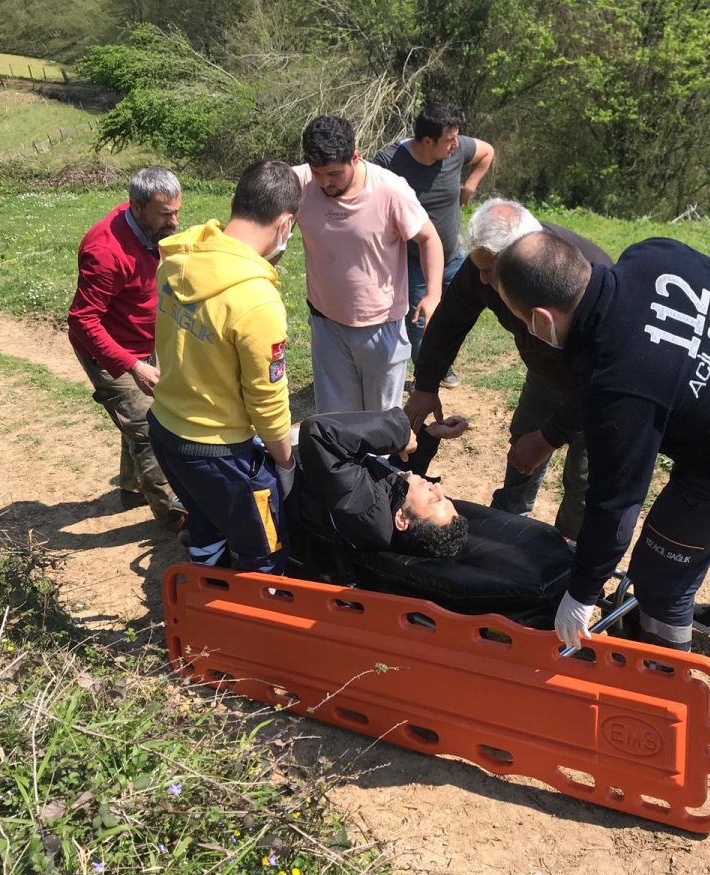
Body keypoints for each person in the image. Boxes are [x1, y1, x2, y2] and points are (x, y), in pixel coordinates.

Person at [494, 233, 710, 653]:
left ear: (541, 319)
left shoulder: (616, 383)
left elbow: (616, 504)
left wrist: (581, 594)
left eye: (521, 321)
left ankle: (663, 674)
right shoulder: (654, 254)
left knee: (660, 569)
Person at [405, 199, 611, 540]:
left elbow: (600, 381)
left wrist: (549, 437)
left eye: (490, 271)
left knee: (586, 477)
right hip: (545, 374)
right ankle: (510, 527)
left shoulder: (583, 280)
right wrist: (426, 385)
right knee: (522, 449)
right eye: (478, 269)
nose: (482, 280)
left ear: (523, 258)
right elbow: (451, 319)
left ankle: (571, 555)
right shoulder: (487, 262)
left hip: (597, 389)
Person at [146, 160, 301, 573]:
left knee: (205, 523)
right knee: (264, 548)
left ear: (234, 202)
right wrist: (285, 461)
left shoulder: (176, 257)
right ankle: (254, 624)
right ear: (286, 223)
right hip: (218, 451)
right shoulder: (256, 299)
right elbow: (266, 400)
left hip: (165, 429)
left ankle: (203, 593)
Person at [294, 115, 445, 414]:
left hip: (381, 327)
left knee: (380, 422)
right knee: (336, 422)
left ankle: (380, 463)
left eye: (334, 173)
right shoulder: (299, 181)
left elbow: (429, 239)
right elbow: (255, 201)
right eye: (317, 173)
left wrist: (433, 294)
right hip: (326, 325)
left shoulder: (390, 190)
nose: (324, 182)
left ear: (355, 156)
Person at [67, 166, 184, 528]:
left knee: (144, 416)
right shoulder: (105, 252)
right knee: (150, 429)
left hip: (144, 340)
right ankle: (176, 519)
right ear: (136, 207)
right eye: (166, 215)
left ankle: (132, 487)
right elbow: (83, 321)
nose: (175, 222)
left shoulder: (148, 223)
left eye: (177, 211)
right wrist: (132, 365)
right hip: (108, 349)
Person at [371, 102, 495, 386]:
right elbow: (368, 192)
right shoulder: (389, 161)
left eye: (456, 138)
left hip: (454, 255)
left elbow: (487, 151)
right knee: (420, 319)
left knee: (456, 310)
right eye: (449, 140)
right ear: (428, 141)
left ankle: (442, 361)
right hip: (414, 259)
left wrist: (471, 184)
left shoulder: (457, 148)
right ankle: (429, 371)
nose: (456, 145)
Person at [294, 408, 469, 557]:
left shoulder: (364, 506)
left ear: (401, 519)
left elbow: (319, 433)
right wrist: (430, 436)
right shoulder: (389, 506)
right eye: (444, 497)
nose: (438, 487)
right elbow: (393, 477)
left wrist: (398, 433)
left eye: (433, 499)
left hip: (284, 470)